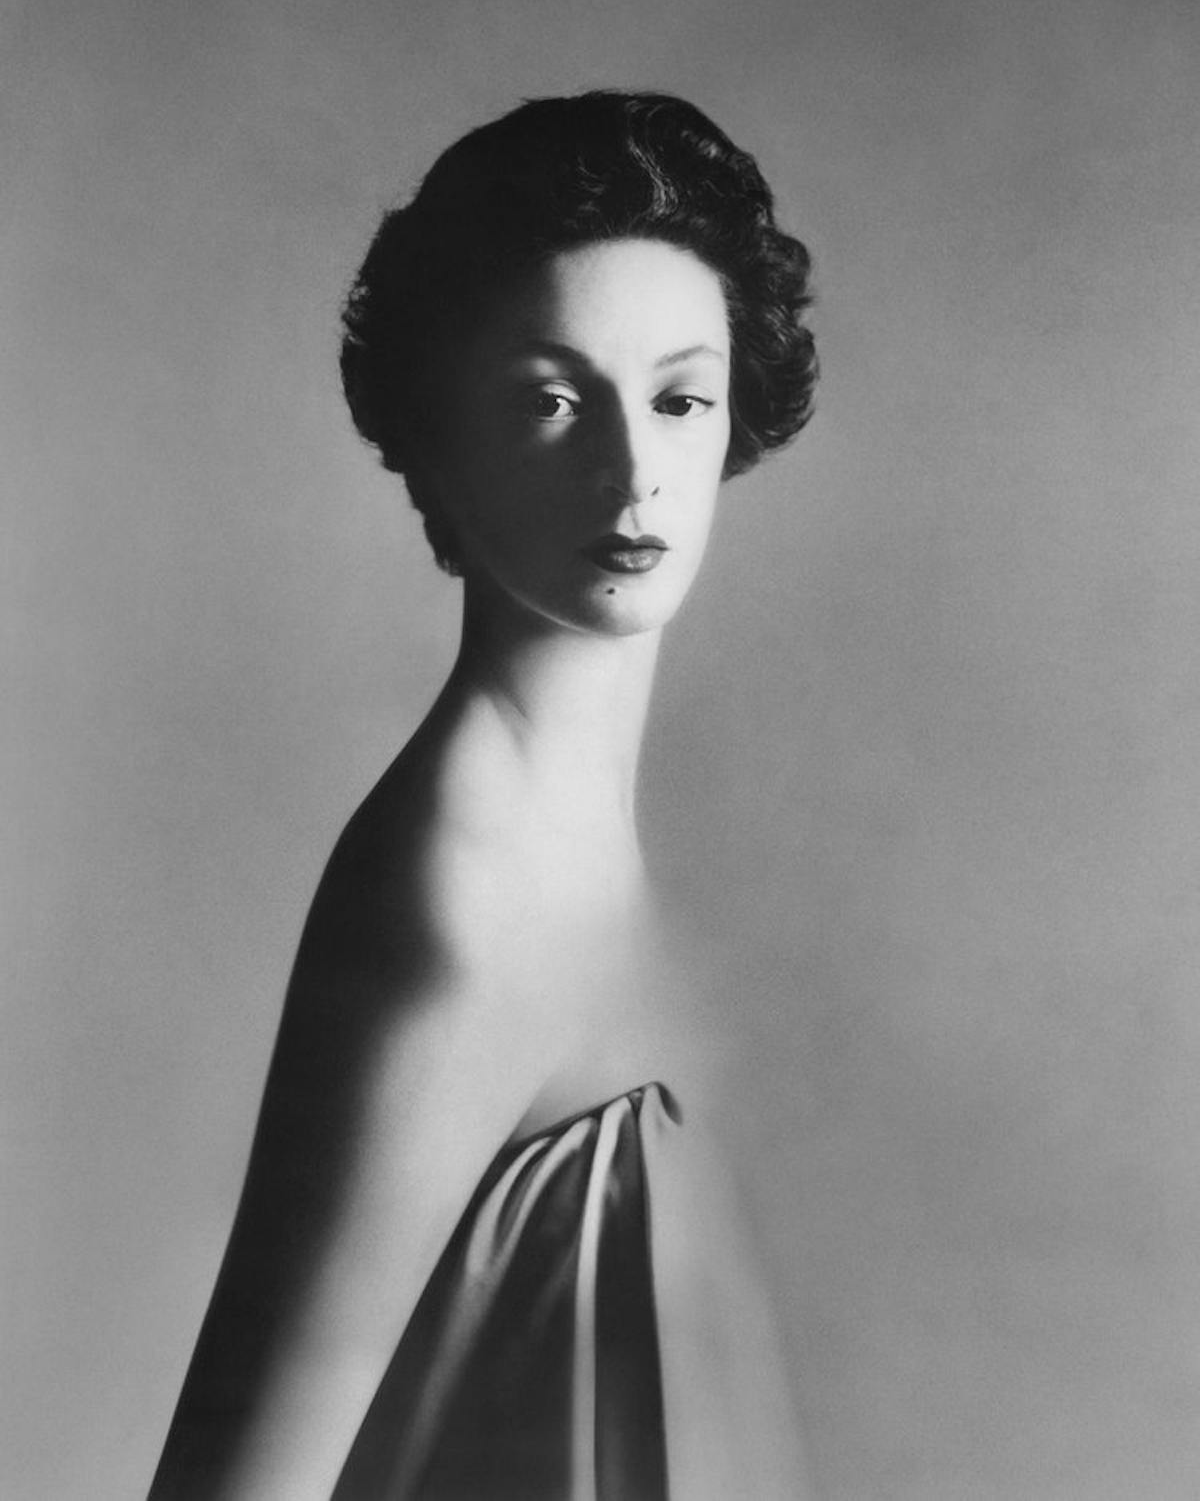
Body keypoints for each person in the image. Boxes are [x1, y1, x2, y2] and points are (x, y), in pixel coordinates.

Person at [150, 90, 817, 1500]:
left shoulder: (568, 830)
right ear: (439, 442)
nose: (633, 470)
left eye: (679, 398)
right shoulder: (469, 882)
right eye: (550, 401)